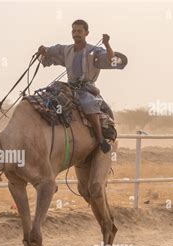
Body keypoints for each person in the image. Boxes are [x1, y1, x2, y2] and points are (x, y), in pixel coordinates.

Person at [37, 19, 116, 153]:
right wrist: (43, 49)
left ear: (86, 33)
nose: (76, 34)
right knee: (48, 98)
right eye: (74, 31)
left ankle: (100, 138)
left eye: (79, 31)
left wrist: (107, 45)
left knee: (89, 103)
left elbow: (111, 59)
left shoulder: (94, 51)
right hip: (69, 86)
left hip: (86, 89)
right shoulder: (66, 49)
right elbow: (51, 50)